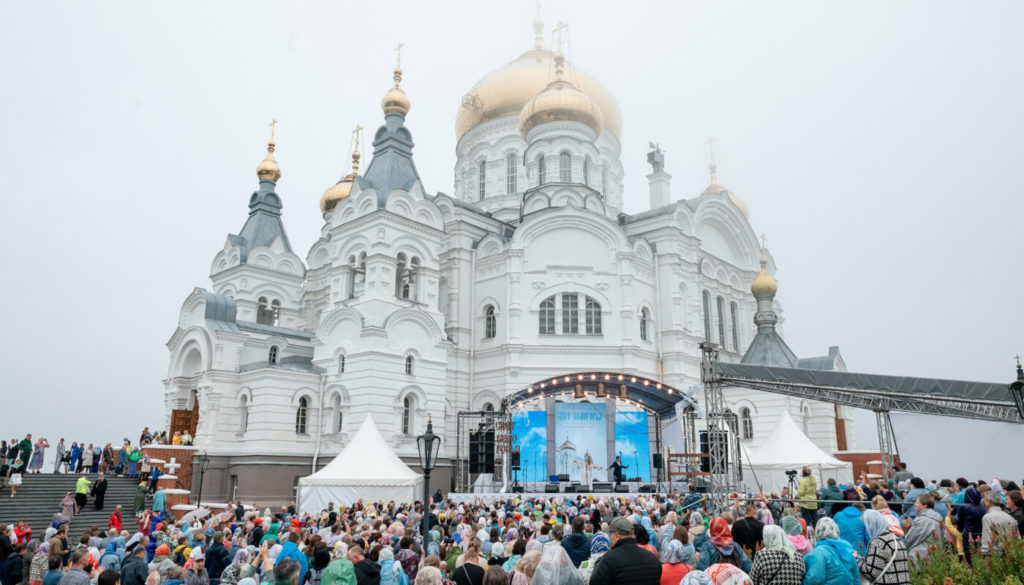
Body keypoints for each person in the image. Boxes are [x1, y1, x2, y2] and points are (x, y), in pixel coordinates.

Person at [589, 517, 662, 585]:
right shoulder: (653, 558)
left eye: (610, 534)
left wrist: (600, 560)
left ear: (617, 536)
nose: (609, 538)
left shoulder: (609, 560)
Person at [857, 510, 909, 585]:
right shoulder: (897, 540)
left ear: (871, 526)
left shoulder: (878, 542)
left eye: (866, 526)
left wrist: (856, 559)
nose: (867, 530)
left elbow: (871, 573)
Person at [803, 517, 859, 585]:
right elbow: (856, 577)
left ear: (818, 531)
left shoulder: (819, 552)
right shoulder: (848, 549)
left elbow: (815, 578)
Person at [902, 494, 942, 563]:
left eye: (917, 502)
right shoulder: (937, 518)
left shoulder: (923, 520)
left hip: (920, 557)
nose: (915, 504)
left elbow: (910, 539)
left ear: (925, 506)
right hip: (934, 555)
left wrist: (900, 548)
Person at [980, 490, 1020, 555]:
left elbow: (987, 541)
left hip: (995, 555)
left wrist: (984, 553)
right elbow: (1017, 538)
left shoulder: (987, 517)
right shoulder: (1011, 518)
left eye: (985, 500)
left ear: (989, 502)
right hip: (1011, 554)